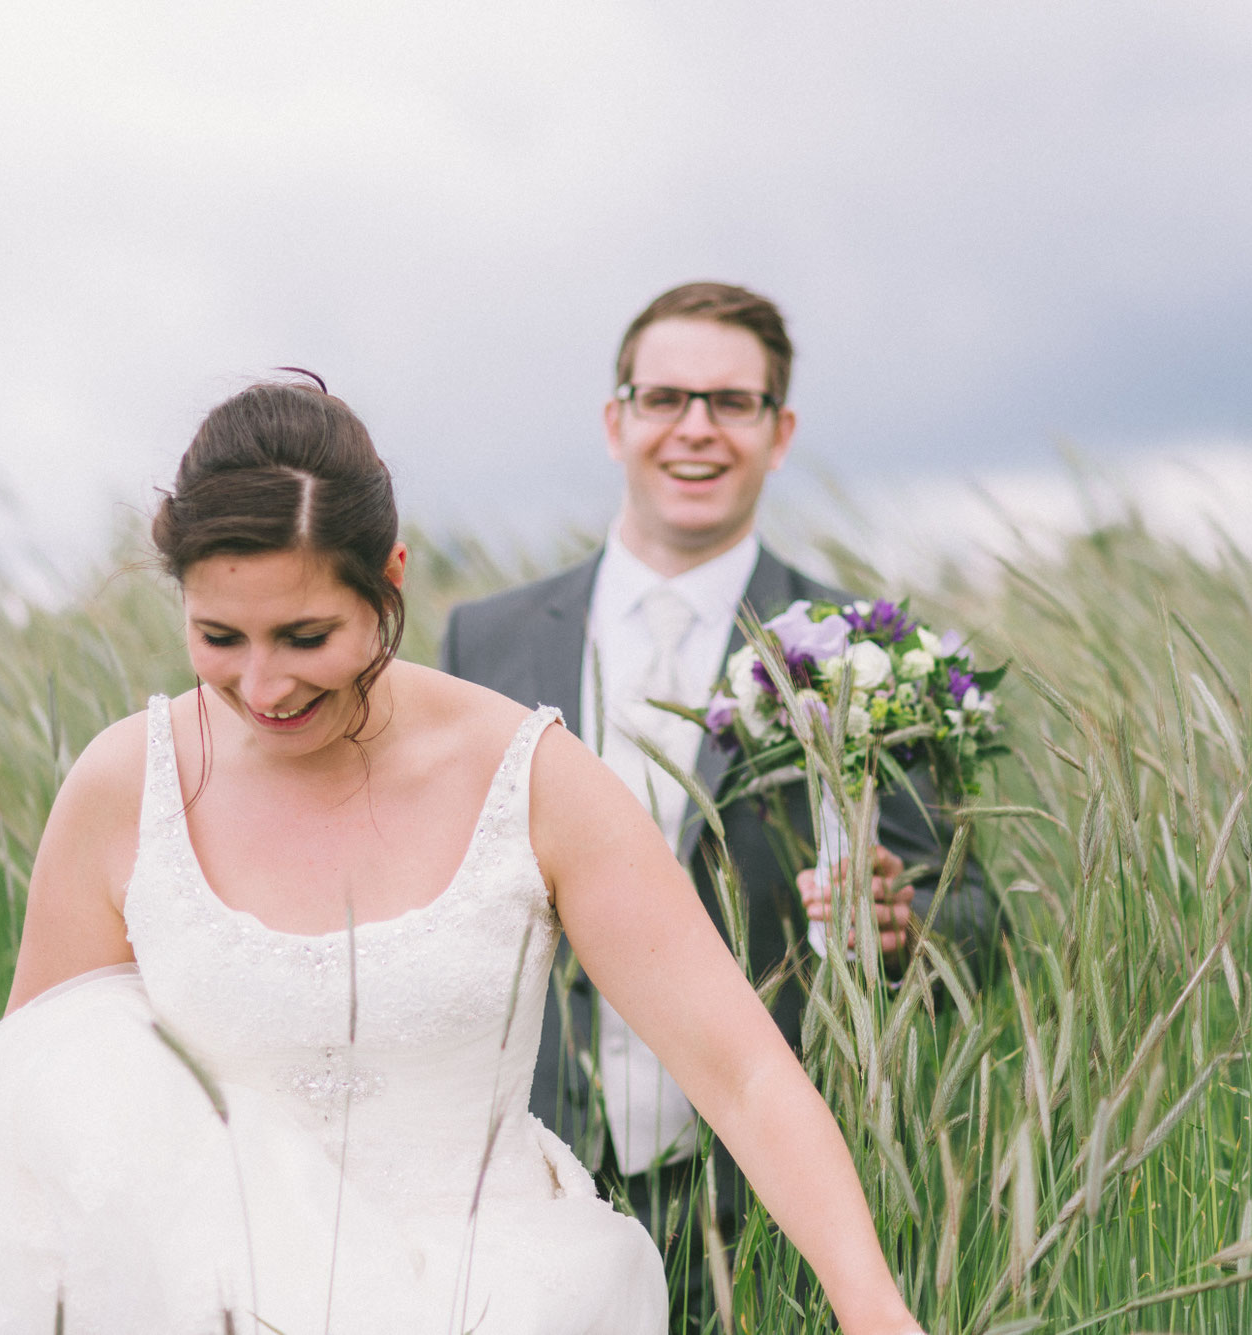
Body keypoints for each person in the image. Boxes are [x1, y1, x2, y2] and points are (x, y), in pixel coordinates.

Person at [0, 374, 925, 1334]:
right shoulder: (122, 785)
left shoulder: (533, 781)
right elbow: (28, 1118)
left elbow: (742, 1072)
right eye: (218, 637)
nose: (262, 684)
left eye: (307, 635)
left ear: (389, 579)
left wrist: (873, 1309)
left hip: (487, 1299)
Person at [441, 282, 999, 1327]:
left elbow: (976, 916)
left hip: (761, 1207)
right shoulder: (487, 641)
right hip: (531, 1181)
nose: (694, 427)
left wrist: (905, 923)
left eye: (731, 402)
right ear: (615, 420)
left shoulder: (868, 648)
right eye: (664, 398)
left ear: (778, 433)